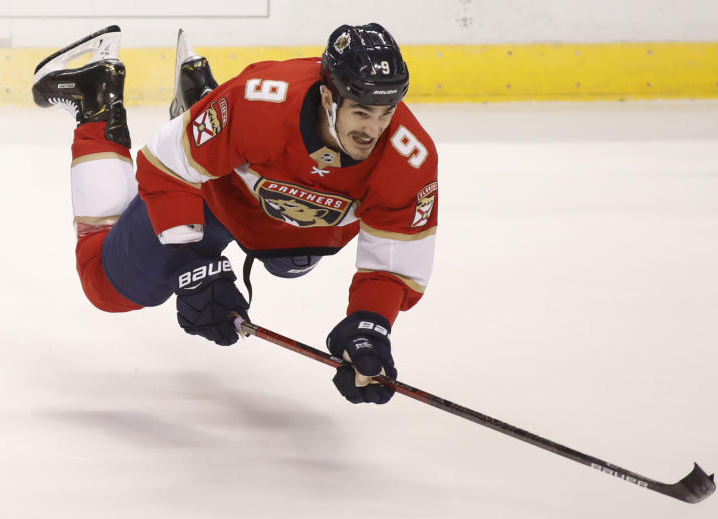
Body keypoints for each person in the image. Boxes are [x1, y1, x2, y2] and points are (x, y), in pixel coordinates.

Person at [32, 23, 438, 404]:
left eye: (386, 113)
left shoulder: (409, 157)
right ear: (329, 99)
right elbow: (165, 163)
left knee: (292, 264)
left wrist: (369, 328)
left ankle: (203, 106)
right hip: (217, 196)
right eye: (362, 113)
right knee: (105, 286)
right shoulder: (259, 102)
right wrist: (189, 263)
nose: (374, 130)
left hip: (292, 229)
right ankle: (94, 102)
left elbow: (393, 265)